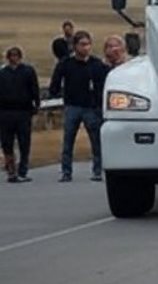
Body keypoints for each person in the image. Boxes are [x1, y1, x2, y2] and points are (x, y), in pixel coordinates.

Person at [48, 30, 107, 182]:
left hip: (91, 107)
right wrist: (54, 94)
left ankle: (97, 170)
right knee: (68, 140)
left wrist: (100, 104)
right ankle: (66, 172)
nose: (85, 48)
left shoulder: (96, 64)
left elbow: (104, 83)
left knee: (96, 141)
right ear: (75, 46)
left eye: (88, 44)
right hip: (72, 106)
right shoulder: (66, 63)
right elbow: (55, 81)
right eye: (82, 44)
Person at [0, 46, 40, 183]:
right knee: (7, 143)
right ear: (8, 57)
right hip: (5, 112)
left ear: (20, 57)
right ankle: (11, 170)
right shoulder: (2, 73)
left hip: (23, 112)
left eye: (16, 55)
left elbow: (34, 88)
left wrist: (36, 104)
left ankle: (23, 170)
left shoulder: (28, 71)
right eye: (11, 56)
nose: (14, 58)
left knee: (24, 142)